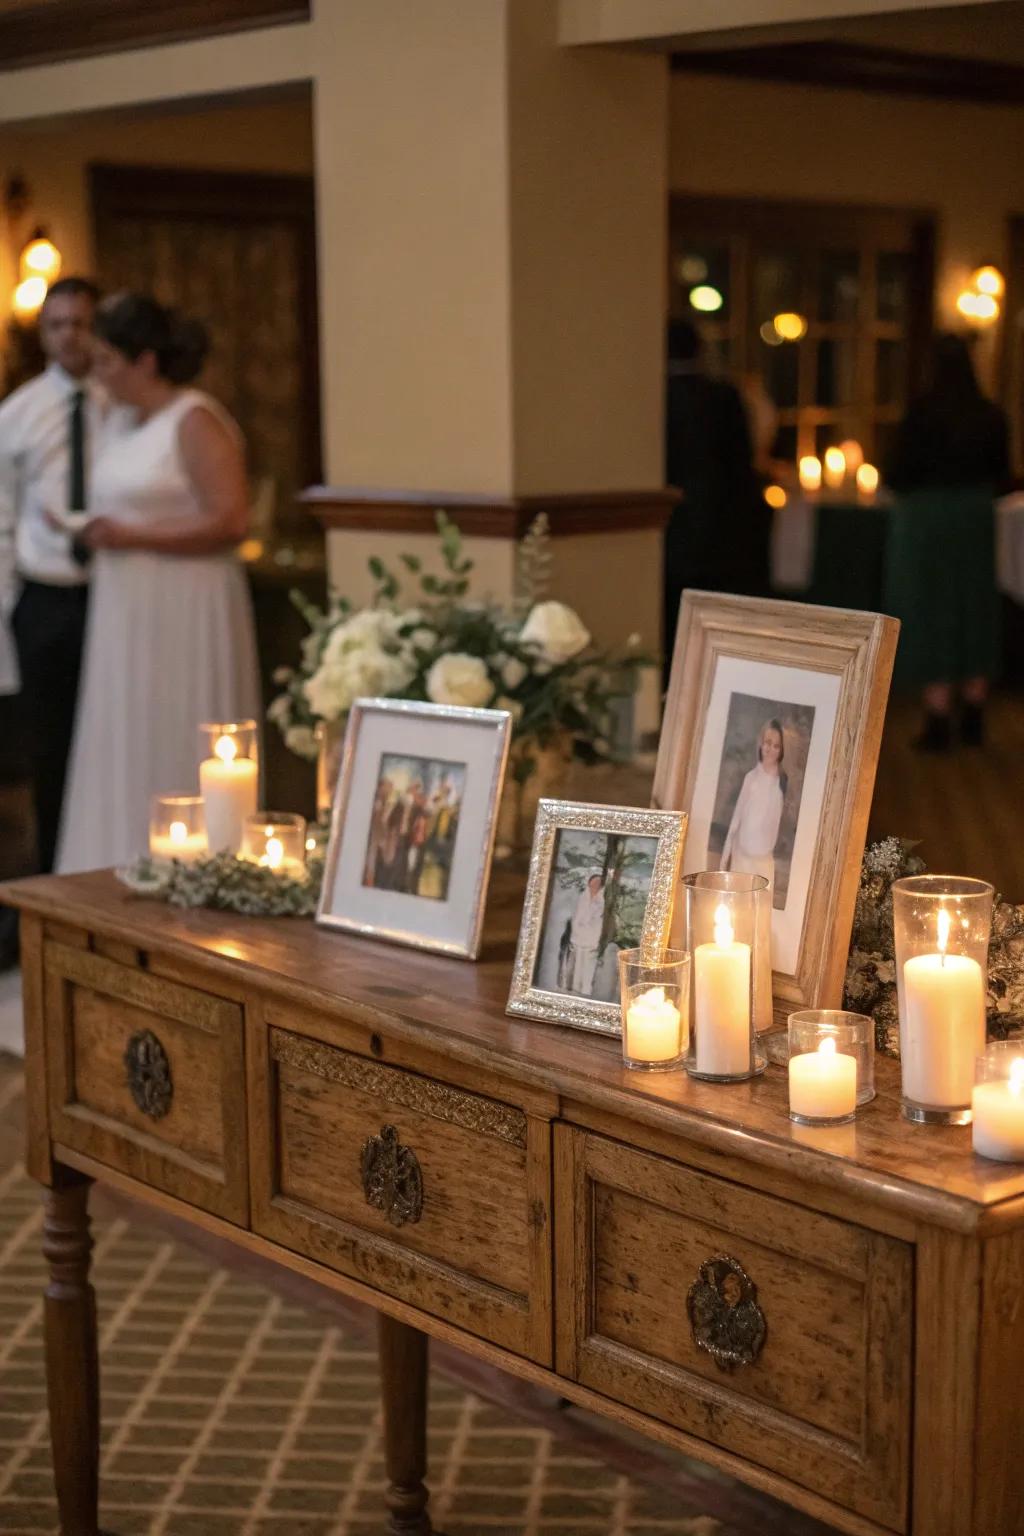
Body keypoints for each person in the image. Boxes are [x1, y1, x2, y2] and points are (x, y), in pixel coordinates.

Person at [57, 293, 260, 872]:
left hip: (185, 602)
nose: (99, 373)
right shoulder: (119, 421)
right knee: (122, 730)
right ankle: (112, 865)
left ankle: (191, 864)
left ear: (145, 361)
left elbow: (230, 519)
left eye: (108, 360)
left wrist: (134, 536)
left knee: (173, 723)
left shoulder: (195, 418)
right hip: (125, 602)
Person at [0, 277, 105, 876]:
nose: (69, 335)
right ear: (42, 334)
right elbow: (4, 517)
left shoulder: (122, 407)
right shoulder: (18, 414)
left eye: (80, 322)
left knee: (109, 733)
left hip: (112, 594)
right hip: (43, 599)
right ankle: (51, 880)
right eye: (57, 324)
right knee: (49, 747)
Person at [884, 333, 1010, 751]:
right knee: (973, 607)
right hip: (974, 518)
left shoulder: (920, 414)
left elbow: (897, 473)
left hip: (927, 521)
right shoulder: (990, 414)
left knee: (931, 607)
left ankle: (938, 715)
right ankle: (974, 710)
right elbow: (1003, 474)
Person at [663, 319, 766, 674]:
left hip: (671, 537)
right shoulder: (724, 395)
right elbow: (744, 468)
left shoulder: (656, 398)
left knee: (672, 637)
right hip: (725, 536)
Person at [721, 719, 787, 895]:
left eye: (776, 745)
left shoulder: (780, 785)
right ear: (761, 744)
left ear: (781, 750)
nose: (770, 749)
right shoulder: (751, 779)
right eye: (767, 743)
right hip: (742, 857)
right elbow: (736, 819)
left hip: (763, 860)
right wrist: (724, 860)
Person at [569, 872, 606, 996]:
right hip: (579, 936)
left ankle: (586, 991)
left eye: (598, 883)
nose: (595, 884)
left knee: (589, 965)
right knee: (578, 963)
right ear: (589, 883)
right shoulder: (582, 897)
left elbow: (598, 919)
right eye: (594, 882)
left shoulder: (601, 900)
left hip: (592, 938)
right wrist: (576, 931)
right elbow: (576, 916)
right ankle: (576, 988)